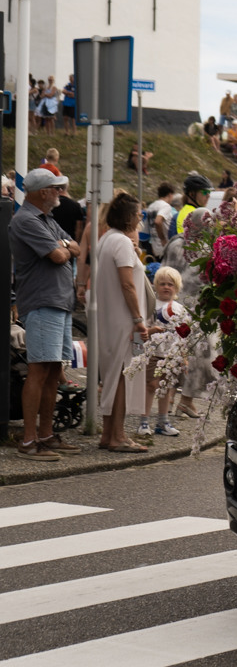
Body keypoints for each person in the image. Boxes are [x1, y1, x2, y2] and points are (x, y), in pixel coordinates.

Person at [8, 168, 83, 461]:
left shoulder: (46, 219)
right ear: (43, 192)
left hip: (57, 302)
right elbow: (60, 255)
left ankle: (46, 434)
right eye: (56, 188)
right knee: (39, 369)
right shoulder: (26, 220)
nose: (60, 193)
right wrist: (63, 247)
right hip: (42, 302)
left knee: (52, 369)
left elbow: (74, 248)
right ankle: (29, 440)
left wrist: (63, 246)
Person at [93, 192, 150, 452]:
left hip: (109, 318)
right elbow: (128, 284)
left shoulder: (106, 239)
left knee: (113, 375)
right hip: (125, 320)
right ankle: (118, 436)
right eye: (138, 214)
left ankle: (109, 434)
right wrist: (138, 320)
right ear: (128, 217)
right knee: (123, 376)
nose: (140, 218)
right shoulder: (122, 242)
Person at [162, 208, 214, 418]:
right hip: (197, 309)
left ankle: (169, 400)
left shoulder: (175, 243)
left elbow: (164, 271)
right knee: (197, 358)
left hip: (172, 306)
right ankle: (186, 401)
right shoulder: (205, 248)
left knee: (174, 353)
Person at [139, 266, 189, 437]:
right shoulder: (150, 305)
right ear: (155, 285)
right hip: (153, 352)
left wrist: (184, 356)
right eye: (162, 284)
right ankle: (144, 421)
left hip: (171, 354)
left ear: (177, 287)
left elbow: (184, 334)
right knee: (151, 385)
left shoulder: (180, 309)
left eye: (170, 284)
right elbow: (142, 329)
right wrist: (151, 330)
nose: (166, 287)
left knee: (166, 387)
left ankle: (162, 421)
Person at [173, 173, 212, 238]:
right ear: (191, 194)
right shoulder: (194, 213)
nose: (208, 196)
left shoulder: (186, 210)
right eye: (205, 192)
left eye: (209, 192)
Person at [145, 182, 178, 259]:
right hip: (164, 246)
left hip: (154, 246)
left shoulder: (151, 206)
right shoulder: (166, 206)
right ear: (170, 194)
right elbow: (158, 221)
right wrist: (163, 239)